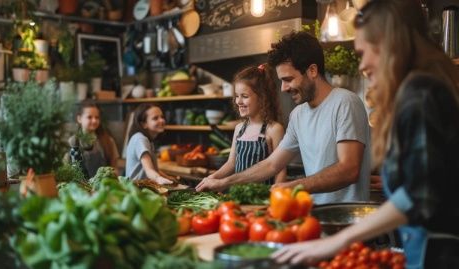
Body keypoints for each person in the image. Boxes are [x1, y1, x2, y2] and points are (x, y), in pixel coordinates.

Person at [272, 1, 459, 268]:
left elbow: (419, 195)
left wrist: (338, 240)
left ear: (387, 43)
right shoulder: (422, 88)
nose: (363, 65)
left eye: (363, 52)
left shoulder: (421, 92)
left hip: (438, 255)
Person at [197, 31, 371, 206]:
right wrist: (223, 182)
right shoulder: (298, 115)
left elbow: (349, 170)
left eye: (288, 79)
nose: (283, 88)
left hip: (348, 217)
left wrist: (291, 186)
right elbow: (272, 164)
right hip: (314, 214)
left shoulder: (345, 103)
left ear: (312, 70)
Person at [204, 64, 287, 185]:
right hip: (240, 195)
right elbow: (231, 164)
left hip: (263, 198)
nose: (238, 101)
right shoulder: (239, 128)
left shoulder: (274, 129)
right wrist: (211, 178)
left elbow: (280, 171)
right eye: (237, 96)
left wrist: (274, 198)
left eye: (244, 96)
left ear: (262, 97)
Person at [67, 100, 120, 178]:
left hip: (104, 187)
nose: (94, 120)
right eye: (89, 117)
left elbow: (114, 168)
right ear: (79, 119)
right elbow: (68, 169)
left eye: (97, 117)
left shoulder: (108, 141)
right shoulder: (73, 142)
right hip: (80, 188)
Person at [125, 103, 174, 184]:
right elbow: (149, 170)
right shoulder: (140, 139)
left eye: (162, 117)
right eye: (155, 118)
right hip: (135, 190)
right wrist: (159, 179)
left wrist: (169, 179)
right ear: (143, 124)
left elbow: (155, 170)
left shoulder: (147, 140)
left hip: (141, 188)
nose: (162, 120)